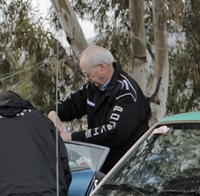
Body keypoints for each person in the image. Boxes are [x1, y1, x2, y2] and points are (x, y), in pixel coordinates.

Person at [48, 45, 151, 173]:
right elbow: (72, 103)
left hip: (128, 168)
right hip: (101, 165)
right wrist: (54, 112)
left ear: (102, 67)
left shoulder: (126, 92)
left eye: (88, 74)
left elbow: (114, 131)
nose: (86, 78)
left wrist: (73, 137)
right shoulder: (93, 87)